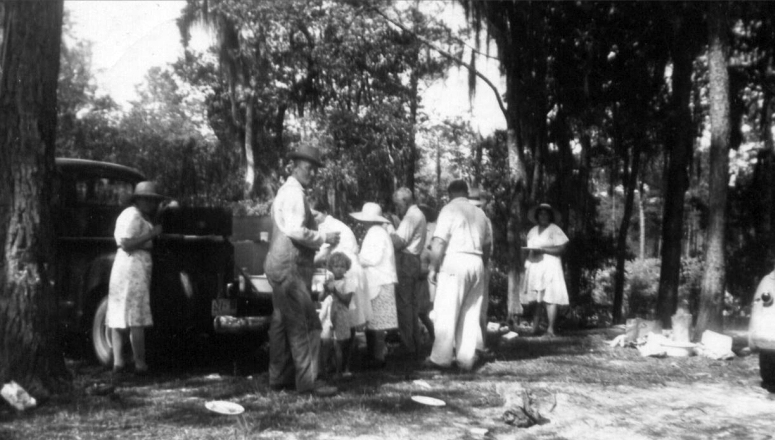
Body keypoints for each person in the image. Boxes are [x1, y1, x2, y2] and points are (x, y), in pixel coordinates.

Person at [264, 144, 340, 396]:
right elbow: (296, 230)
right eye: (308, 168)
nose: (313, 173)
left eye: (315, 169)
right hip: (290, 267)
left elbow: (291, 222)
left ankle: (279, 378)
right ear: (294, 167)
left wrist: (312, 217)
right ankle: (309, 382)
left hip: (279, 264)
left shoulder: (286, 192)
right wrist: (323, 236)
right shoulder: (295, 193)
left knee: (281, 322)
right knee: (307, 325)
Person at [426, 180, 492, 371]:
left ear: (450, 194)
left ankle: (441, 359)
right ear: (466, 192)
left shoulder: (449, 209)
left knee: (447, 310)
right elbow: (487, 245)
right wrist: (482, 265)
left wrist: (433, 267)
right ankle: (466, 359)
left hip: (456, 259)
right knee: (471, 312)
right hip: (477, 260)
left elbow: (438, 242)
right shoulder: (480, 213)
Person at [106, 181, 166, 376]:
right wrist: (152, 234)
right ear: (138, 199)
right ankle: (139, 364)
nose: (150, 203)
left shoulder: (138, 215)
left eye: (153, 200)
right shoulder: (131, 215)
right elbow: (126, 243)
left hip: (132, 266)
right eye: (147, 199)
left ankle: (119, 363)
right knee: (135, 317)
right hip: (132, 266)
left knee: (121, 313)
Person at [309, 195, 371, 332]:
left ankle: (342, 350)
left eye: (316, 215)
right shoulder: (333, 223)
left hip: (348, 273)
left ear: (324, 212)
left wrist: (305, 265)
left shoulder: (326, 226)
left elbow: (322, 255)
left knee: (346, 319)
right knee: (350, 320)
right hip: (350, 271)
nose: (314, 219)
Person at [350, 202, 398, 369]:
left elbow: (371, 258)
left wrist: (355, 255)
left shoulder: (375, 233)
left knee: (377, 324)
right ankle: (374, 355)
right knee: (374, 322)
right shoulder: (378, 232)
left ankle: (378, 358)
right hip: (379, 281)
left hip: (379, 281)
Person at [521, 203, 569, 338]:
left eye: (546, 213)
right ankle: (534, 327)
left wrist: (543, 250)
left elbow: (562, 249)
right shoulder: (532, 231)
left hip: (550, 264)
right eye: (541, 213)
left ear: (550, 216)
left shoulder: (555, 229)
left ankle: (551, 329)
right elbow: (529, 248)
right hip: (535, 264)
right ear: (537, 216)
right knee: (537, 297)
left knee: (550, 295)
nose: (543, 216)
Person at [389, 187, 426, 357]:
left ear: (405, 201)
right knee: (411, 305)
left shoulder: (411, 217)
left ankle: (407, 345)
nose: (398, 209)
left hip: (407, 261)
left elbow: (398, 243)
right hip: (413, 260)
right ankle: (414, 343)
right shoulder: (417, 214)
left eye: (398, 205)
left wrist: (387, 229)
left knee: (404, 306)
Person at [318, 252, 356, 380]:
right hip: (328, 314)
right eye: (336, 266)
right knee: (325, 343)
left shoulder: (349, 282)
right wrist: (325, 289)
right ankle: (325, 370)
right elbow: (320, 298)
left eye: (342, 266)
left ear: (346, 268)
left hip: (341, 314)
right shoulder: (330, 281)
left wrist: (335, 291)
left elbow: (346, 300)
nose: (339, 269)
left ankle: (339, 372)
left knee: (338, 344)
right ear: (330, 268)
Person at [469, 186, 494, 355]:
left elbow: (488, 247)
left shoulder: (485, 220)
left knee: (480, 307)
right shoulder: (469, 217)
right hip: (474, 265)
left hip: (482, 265)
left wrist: (482, 265)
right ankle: (472, 343)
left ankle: (482, 343)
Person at [417, 204, 438, 345]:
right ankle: (422, 336)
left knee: (425, 310)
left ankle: (434, 336)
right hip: (417, 275)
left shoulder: (434, 227)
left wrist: (430, 270)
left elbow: (434, 255)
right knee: (419, 310)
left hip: (427, 277)